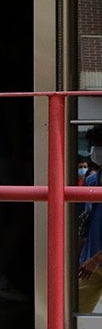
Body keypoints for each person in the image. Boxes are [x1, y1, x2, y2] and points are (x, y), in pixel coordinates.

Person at [78, 129, 102, 314]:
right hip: (89, 267)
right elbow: (84, 223)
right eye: (95, 145)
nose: (96, 151)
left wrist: (95, 260)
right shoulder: (92, 181)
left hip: (93, 263)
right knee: (75, 314)